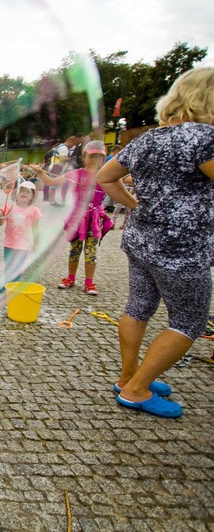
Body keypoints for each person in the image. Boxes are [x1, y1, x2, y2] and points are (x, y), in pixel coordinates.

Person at [97, 67, 214, 418]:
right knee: (189, 320)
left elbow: (106, 177)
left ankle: (128, 376)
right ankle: (136, 390)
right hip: (182, 249)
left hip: (142, 240)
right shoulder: (205, 138)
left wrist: (137, 205)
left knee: (138, 307)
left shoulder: (149, 139)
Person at [32, 140, 113, 295]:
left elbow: (122, 183)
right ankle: (71, 278)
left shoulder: (104, 175)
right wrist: (41, 173)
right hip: (77, 219)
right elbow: (51, 181)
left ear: (103, 159)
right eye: (92, 156)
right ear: (84, 157)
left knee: (91, 252)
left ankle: (89, 282)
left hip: (94, 219)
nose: (95, 160)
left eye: (99, 157)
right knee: (74, 250)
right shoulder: (75, 174)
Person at [0, 182, 42, 283]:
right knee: (8, 266)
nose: (24, 193)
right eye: (22, 191)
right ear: (16, 194)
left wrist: (36, 244)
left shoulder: (34, 210)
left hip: (23, 246)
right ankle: (7, 285)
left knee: (18, 268)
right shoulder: (9, 207)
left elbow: (36, 229)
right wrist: (1, 217)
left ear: (32, 197)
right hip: (9, 244)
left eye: (28, 192)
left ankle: (14, 285)